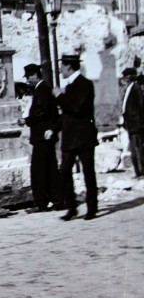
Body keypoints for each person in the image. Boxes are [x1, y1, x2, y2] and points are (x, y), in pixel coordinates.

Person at [55, 53, 99, 220]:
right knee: (65, 170)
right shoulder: (71, 85)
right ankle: (71, 207)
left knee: (88, 172)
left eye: (61, 66)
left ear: (68, 66)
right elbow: (66, 114)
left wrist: (59, 96)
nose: (60, 70)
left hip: (83, 136)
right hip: (70, 136)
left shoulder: (84, 84)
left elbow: (76, 108)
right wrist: (55, 128)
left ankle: (92, 208)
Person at [19, 64, 61, 212]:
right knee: (51, 168)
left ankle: (41, 202)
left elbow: (41, 112)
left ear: (35, 75)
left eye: (29, 77)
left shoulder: (41, 89)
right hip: (46, 135)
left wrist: (27, 120)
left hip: (41, 137)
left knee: (38, 170)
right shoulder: (45, 88)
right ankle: (57, 199)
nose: (28, 81)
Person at [119, 67, 144, 178]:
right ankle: (138, 171)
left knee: (138, 148)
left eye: (125, 77)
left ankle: (142, 171)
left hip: (136, 124)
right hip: (130, 123)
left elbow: (141, 105)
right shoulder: (129, 88)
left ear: (129, 77)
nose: (123, 79)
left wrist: (139, 121)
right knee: (133, 149)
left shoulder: (136, 88)